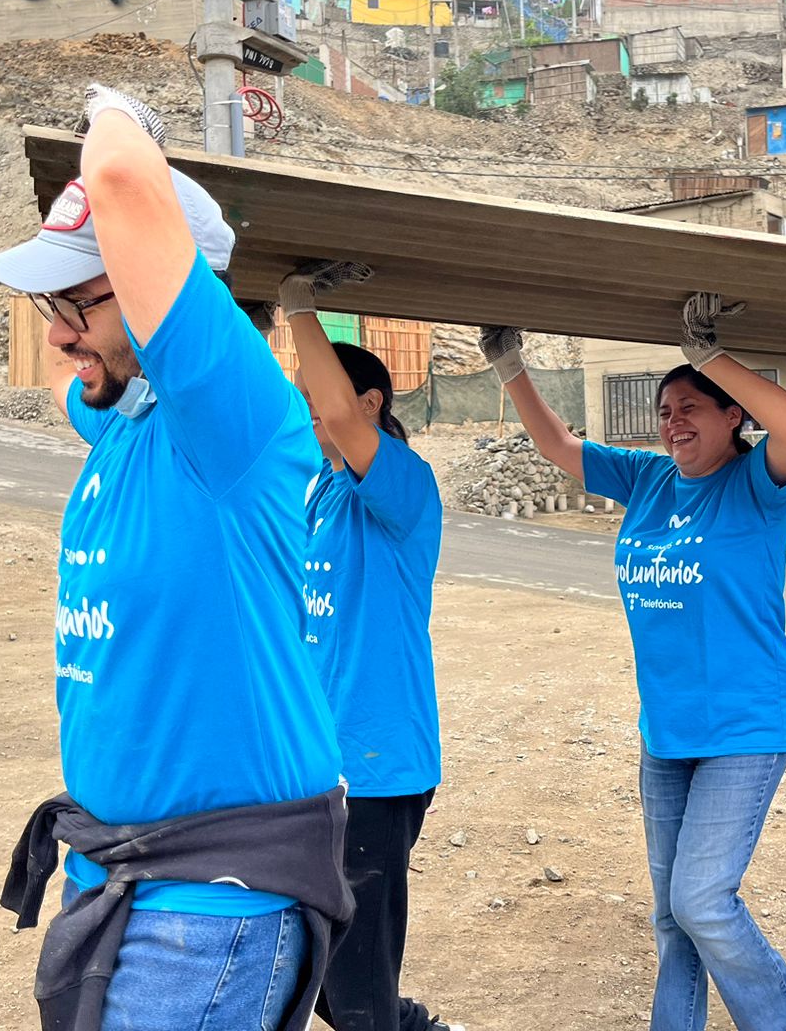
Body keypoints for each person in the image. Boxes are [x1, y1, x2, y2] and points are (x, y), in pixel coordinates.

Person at [0, 85, 353, 1031]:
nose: (58, 331)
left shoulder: (233, 423)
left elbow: (116, 175)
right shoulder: (121, 417)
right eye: (46, 303)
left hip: (208, 908)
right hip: (123, 879)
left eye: (78, 300)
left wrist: (120, 113)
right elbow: (98, 363)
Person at [479, 295, 786, 1031]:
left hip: (743, 728)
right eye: (666, 410)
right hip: (665, 735)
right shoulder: (647, 478)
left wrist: (706, 354)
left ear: (734, 415)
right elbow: (562, 449)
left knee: (702, 899)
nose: (674, 422)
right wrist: (511, 368)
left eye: (691, 405)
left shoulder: (757, 484)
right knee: (672, 916)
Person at [277, 262, 461, 1031]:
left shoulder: (404, 486)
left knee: (352, 974)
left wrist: (298, 306)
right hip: (319, 762)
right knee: (310, 959)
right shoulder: (320, 487)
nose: (310, 421)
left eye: (317, 405)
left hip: (380, 768)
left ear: (370, 403)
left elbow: (347, 428)